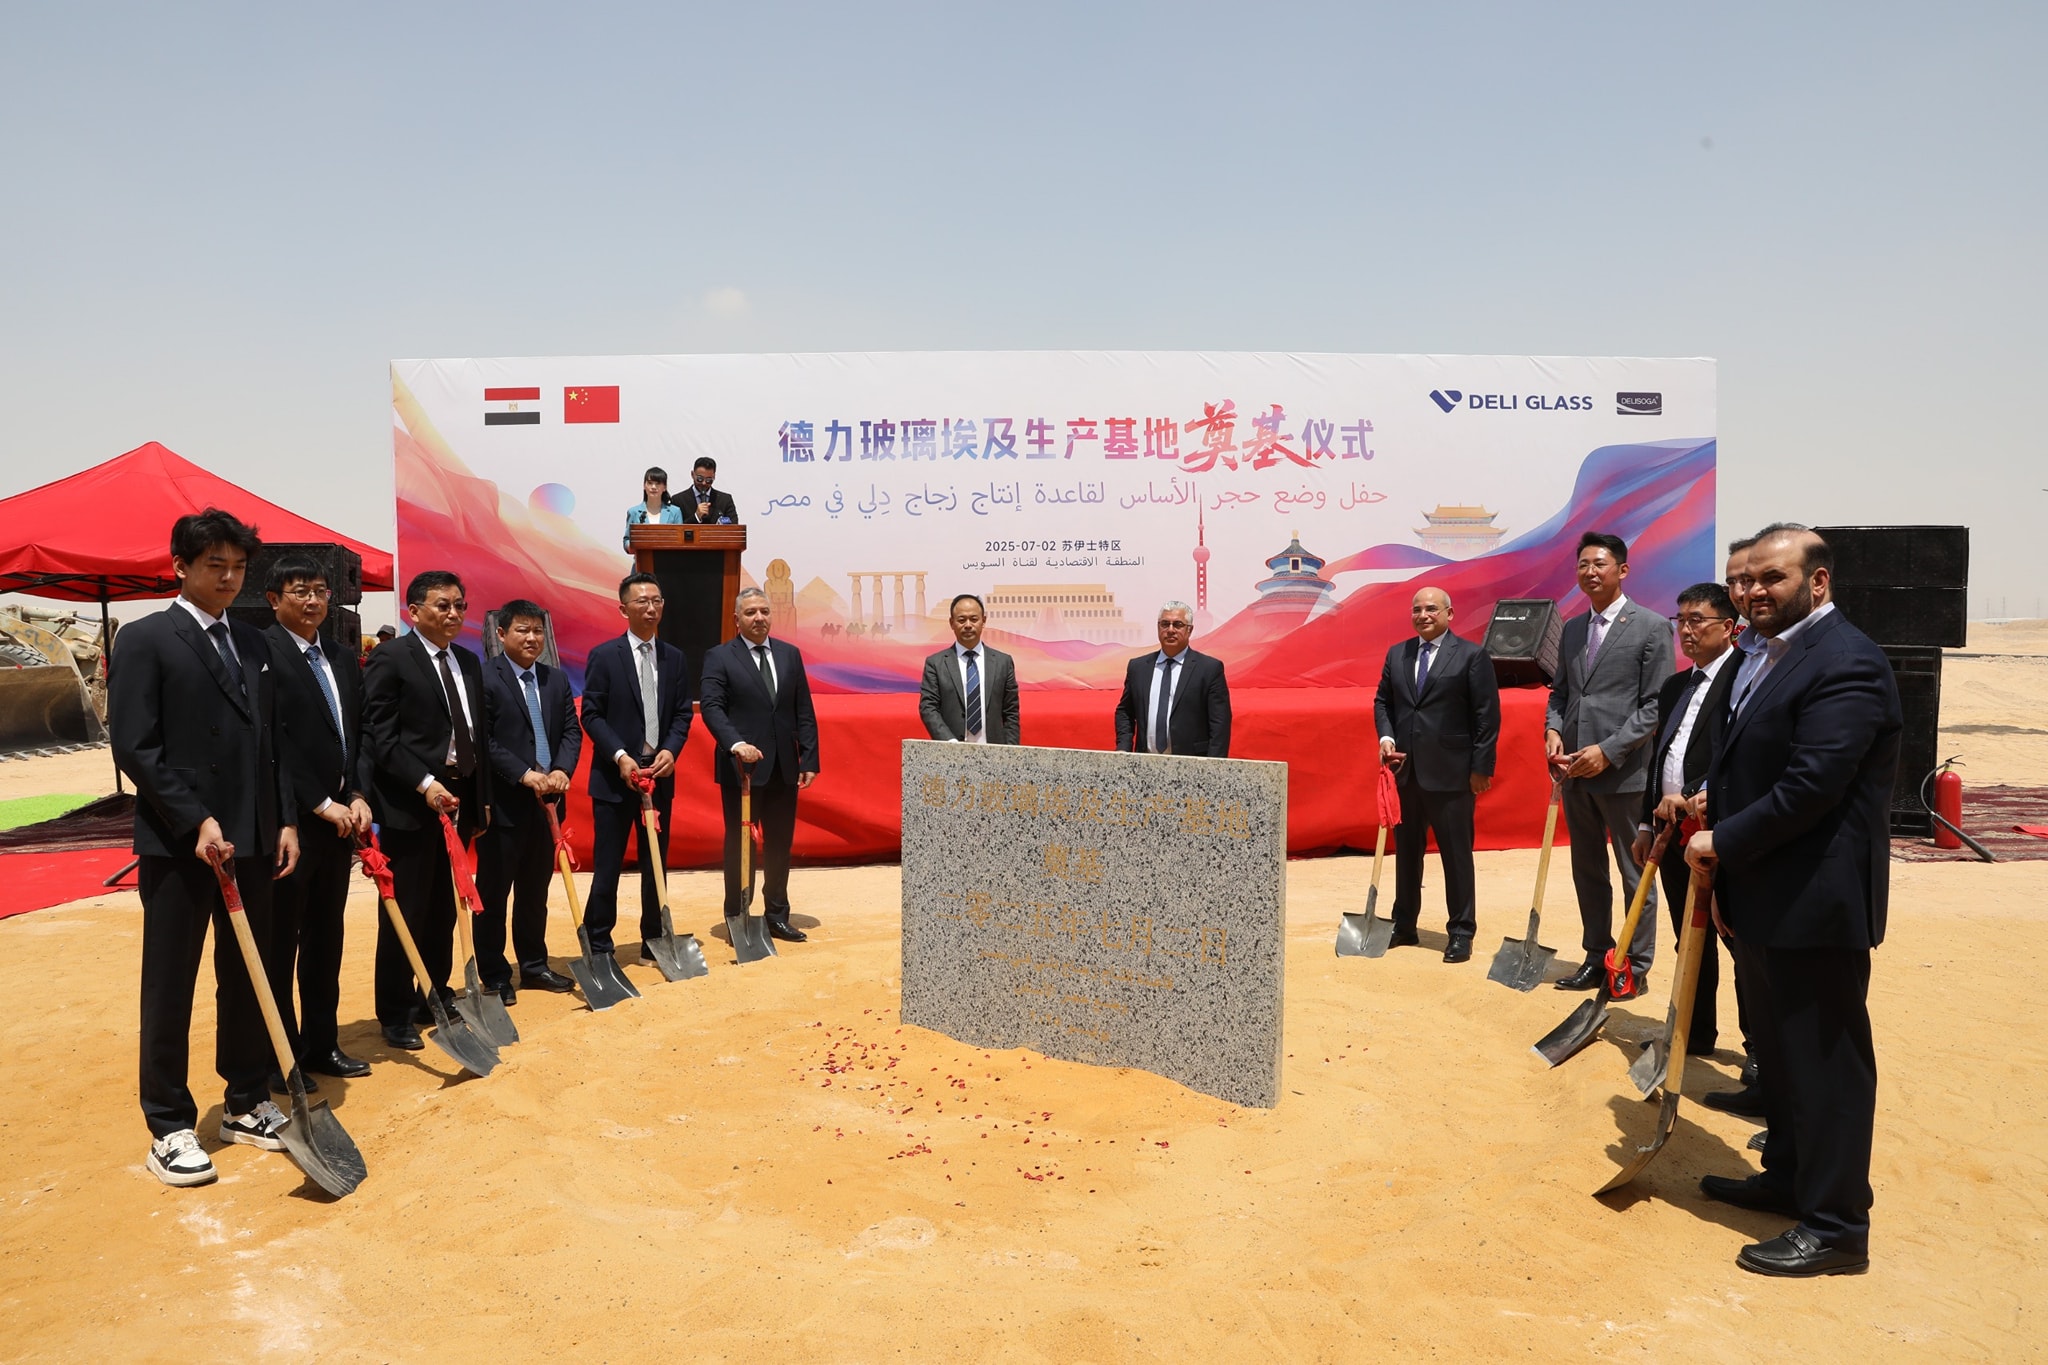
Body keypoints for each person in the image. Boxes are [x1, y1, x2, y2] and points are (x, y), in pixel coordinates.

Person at [1686, 525, 1899, 1277]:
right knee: (1777, 1055)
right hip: (1762, 892)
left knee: (1826, 1062)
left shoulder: (1846, 661)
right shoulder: (1766, 655)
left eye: (1771, 578)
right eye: (1744, 581)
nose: (1752, 592)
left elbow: (1812, 785)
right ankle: (1788, 1177)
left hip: (1815, 900)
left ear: (1818, 581)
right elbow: (1747, 763)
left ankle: (1837, 1226)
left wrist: (1722, 840)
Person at [109, 508, 300, 1187]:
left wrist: (283, 819)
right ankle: (168, 1123)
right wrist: (195, 820)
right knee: (171, 982)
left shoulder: (254, 642)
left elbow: (270, 741)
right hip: (179, 843)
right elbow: (136, 745)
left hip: (252, 836)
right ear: (180, 567)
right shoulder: (145, 639)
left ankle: (245, 1099)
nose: (228, 578)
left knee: (249, 971)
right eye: (214, 565)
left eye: (238, 567)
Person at [361, 571, 494, 1052]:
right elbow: (381, 736)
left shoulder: (468, 661)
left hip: (458, 800)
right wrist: (424, 783)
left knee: (443, 908)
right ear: (414, 611)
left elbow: (476, 735)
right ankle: (395, 1011)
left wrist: (479, 801)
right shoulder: (392, 657)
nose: (453, 613)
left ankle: (434, 994)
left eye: (460, 605)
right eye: (443, 605)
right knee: (408, 908)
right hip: (411, 803)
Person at [260, 556, 375, 1091]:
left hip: (340, 823)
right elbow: (274, 743)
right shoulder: (262, 652)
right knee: (281, 944)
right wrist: (318, 803)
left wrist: (357, 794)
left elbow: (358, 733)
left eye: (321, 591)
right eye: (300, 591)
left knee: (327, 938)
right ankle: (280, 1056)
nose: (312, 601)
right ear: (273, 599)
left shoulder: (341, 656)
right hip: (291, 825)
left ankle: (322, 1042)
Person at [1544, 532, 1673, 993]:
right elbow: (1560, 693)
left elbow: (1655, 706)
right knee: (1588, 871)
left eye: (1599, 563)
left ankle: (1633, 968)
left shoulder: (1652, 626)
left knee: (1634, 873)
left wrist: (1608, 750)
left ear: (1622, 570)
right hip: (1574, 772)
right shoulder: (1573, 628)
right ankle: (1596, 957)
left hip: (1624, 774)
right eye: (1583, 564)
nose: (1590, 572)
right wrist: (1553, 731)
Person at [1630, 582, 1740, 1052]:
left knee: (1737, 939)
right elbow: (1659, 760)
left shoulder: (1745, 679)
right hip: (1671, 831)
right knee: (1689, 936)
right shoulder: (1677, 685)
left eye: (1698, 620)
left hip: (1720, 830)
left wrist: (1694, 795)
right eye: (1681, 621)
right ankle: (1693, 1033)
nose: (1687, 630)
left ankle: (1759, 1049)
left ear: (1728, 626)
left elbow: (1741, 758)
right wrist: (1645, 823)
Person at [1372, 586, 1500, 963]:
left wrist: (1481, 768)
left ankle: (1461, 931)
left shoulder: (1471, 656)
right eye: (1417, 609)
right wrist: (1386, 737)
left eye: (1431, 609)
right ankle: (1404, 924)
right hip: (1406, 771)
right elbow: (1383, 701)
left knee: (1455, 856)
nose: (1423, 615)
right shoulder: (1398, 654)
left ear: (1449, 613)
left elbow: (1487, 716)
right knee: (1407, 854)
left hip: (1452, 775)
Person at [579, 573, 692, 962]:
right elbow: (591, 714)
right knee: (608, 865)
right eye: (642, 601)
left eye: (657, 601)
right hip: (616, 778)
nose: (651, 608)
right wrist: (620, 755)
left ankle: (654, 939)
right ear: (623, 609)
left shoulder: (675, 658)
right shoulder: (605, 656)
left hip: (658, 775)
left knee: (655, 863)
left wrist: (671, 749)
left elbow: (681, 713)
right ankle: (599, 944)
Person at [699, 587, 820, 941]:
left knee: (780, 844)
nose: (759, 618)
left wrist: (809, 757)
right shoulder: (720, 657)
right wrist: (736, 744)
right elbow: (712, 707)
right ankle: (738, 916)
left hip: (784, 766)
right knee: (741, 846)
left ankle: (777, 914)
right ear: (736, 618)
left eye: (764, 611)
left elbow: (803, 709)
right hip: (742, 770)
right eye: (751, 612)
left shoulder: (789, 655)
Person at [476, 600, 582, 1000]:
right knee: (494, 894)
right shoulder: (484, 677)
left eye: (538, 630)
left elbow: (571, 731)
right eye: (522, 630)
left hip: (548, 804)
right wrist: (524, 773)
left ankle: (534, 965)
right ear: (502, 634)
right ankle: (495, 975)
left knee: (535, 893)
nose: (532, 638)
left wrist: (562, 770)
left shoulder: (555, 680)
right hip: (503, 805)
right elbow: (483, 740)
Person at [1113, 601, 1231, 757]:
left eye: (1177, 624)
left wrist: (1214, 765)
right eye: (1165, 624)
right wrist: (1123, 748)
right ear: (1158, 628)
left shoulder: (1209, 669)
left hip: (1192, 763)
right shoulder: (1138, 668)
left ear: (1189, 630)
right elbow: (1125, 712)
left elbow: (1220, 723)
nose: (1170, 630)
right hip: (1145, 761)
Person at [918, 594, 1021, 744]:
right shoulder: (936, 664)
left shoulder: (1003, 663)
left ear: (983, 621)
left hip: (994, 751)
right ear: (952, 623)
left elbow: (1011, 712)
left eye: (974, 619)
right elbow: (928, 708)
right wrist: (949, 743)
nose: (968, 625)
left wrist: (1010, 751)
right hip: (952, 750)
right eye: (961, 620)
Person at [621, 465, 684, 550]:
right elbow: (627, 540)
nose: (653, 487)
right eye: (650, 483)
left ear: (664, 487)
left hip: (667, 557)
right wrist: (633, 545)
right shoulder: (634, 512)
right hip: (642, 557)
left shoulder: (675, 512)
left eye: (658, 483)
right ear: (644, 486)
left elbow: (680, 540)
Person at [680, 456, 738, 524]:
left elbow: (734, 526)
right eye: (700, 479)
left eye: (708, 480)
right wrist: (696, 517)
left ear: (714, 477)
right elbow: (676, 528)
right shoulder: (679, 500)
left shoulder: (725, 500)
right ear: (692, 474)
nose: (704, 483)